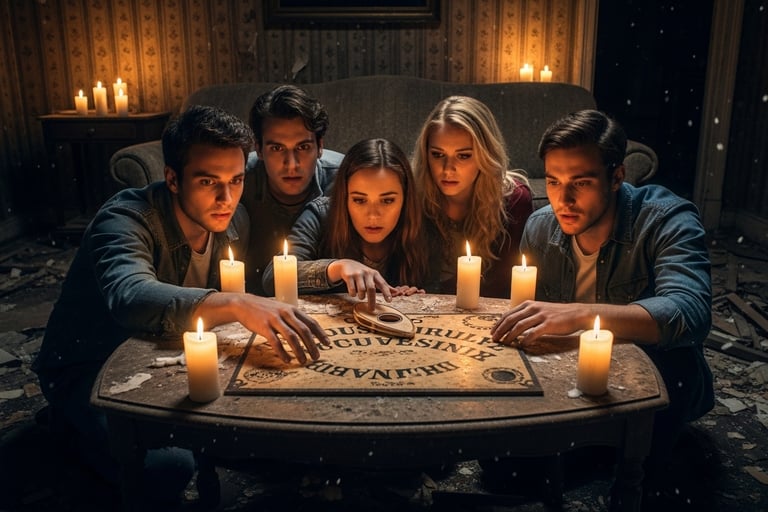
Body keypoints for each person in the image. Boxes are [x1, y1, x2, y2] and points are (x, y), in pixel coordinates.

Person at [32, 105, 330, 509]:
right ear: (172, 178)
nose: (226, 198)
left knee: (268, 433)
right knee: (167, 467)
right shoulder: (125, 217)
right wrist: (237, 302)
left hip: (164, 355)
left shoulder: (233, 221)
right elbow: (130, 296)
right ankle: (64, 426)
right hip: (91, 366)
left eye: (237, 180)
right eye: (209, 181)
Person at [490, 109, 714, 470]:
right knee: (500, 469)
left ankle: (636, 456)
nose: (563, 200)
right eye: (552, 181)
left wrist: (579, 313)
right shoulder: (541, 227)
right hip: (572, 374)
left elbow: (690, 314)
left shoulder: (666, 219)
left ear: (617, 176)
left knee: (676, 371)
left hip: (649, 376)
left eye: (581, 182)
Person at [262, 138, 428, 304]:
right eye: (359, 200)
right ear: (344, 196)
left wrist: (413, 296)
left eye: (387, 201)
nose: (373, 216)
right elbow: (272, 278)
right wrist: (336, 268)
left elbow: (436, 293)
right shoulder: (321, 215)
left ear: (406, 198)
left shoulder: (422, 223)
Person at [412, 95, 533, 298]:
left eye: (464, 155)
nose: (448, 169)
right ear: (426, 155)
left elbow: (504, 289)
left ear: (485, 155)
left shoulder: (514, 201)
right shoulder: (413, 195)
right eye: (438, 154)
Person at [241, 84, 344, 295]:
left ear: (320, 146)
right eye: (277, 148)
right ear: (259, 149)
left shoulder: (344, 181)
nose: (291, 164)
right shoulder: (237, 181)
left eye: (303, 147)